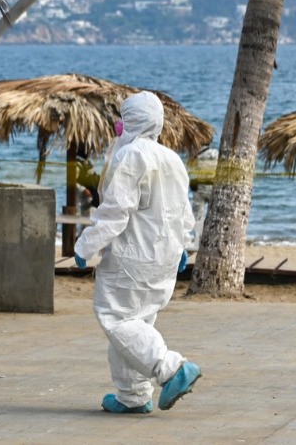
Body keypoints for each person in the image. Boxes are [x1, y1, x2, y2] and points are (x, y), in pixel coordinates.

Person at [73, 92, 202, 414]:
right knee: (137, 324)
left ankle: (171, 368)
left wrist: (86, 245)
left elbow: (116, 211)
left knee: (116, 318)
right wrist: (184, 245)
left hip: (133, 256)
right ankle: (132, 396)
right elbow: (182, 211)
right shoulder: (172, 158)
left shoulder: (129, 155)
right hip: (165, 256)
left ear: (128, 121)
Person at [186, 147, 218, 251]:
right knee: (214, 214)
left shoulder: (196, 154)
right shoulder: (217, 153)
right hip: (213, 187)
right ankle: (213, 238)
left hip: (200, 188)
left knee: (198, 215)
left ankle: (198, 239)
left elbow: (191, 172)